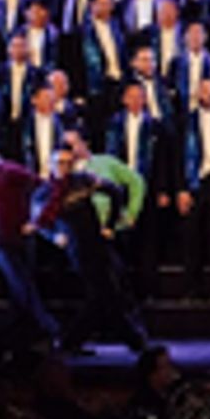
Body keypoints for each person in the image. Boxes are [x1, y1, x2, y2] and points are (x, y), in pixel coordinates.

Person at [35, 138, 147, 354]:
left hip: (98, 242)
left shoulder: (83, 180)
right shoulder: (46, 191)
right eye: (59, 163)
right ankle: (132, 340)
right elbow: (37, 221)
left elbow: (114, 191)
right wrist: (54, 236)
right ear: (50, 165)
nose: (63, 168)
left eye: (67, 163)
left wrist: (110, 225)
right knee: (103, 294)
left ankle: (72, 343)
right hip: (77, 249)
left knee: (106, 294)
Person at [0, 138, 61, 353]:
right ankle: (11, 339)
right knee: (19, 290)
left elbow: (44, 187)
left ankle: (49, 331)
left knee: (23, 290)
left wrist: (36, 220)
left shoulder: (10, 171)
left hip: (19, 237)